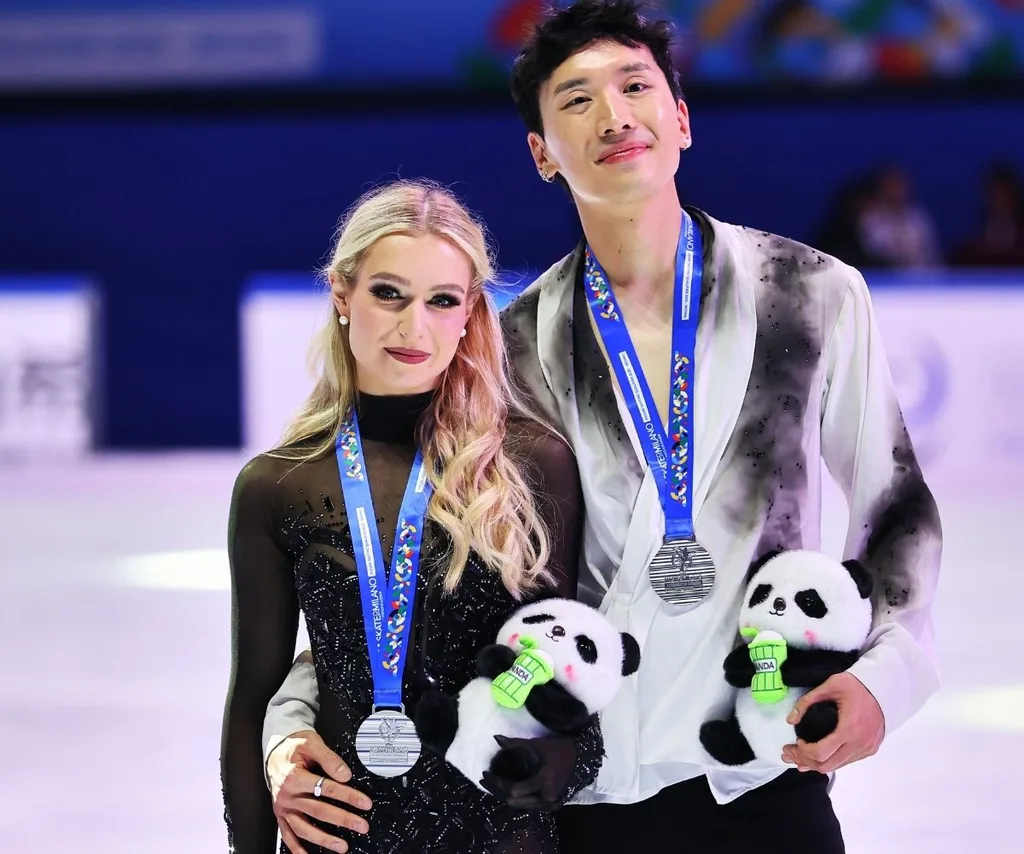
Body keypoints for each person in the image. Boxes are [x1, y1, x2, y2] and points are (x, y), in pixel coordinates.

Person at [258, 2, 943, 852]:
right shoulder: (510, 350)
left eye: (634, 86)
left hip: (761, 772)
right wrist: (288, 725)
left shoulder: (809, 295)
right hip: (577, 796)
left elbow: (896, 504)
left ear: (681, 118)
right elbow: (407, 576)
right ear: (542, 153)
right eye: (576, 100)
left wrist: (885, 675)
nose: (614, 115)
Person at [219, 178, 604, 854]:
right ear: (342, 294)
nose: (412, 326)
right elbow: (254, 695)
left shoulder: (531, 465)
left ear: (469, 313)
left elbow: (570, 654)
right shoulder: (275, 486)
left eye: (441, 301)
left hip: (502, 835)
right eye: (388, 293)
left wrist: (569, 760)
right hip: (339, 834)